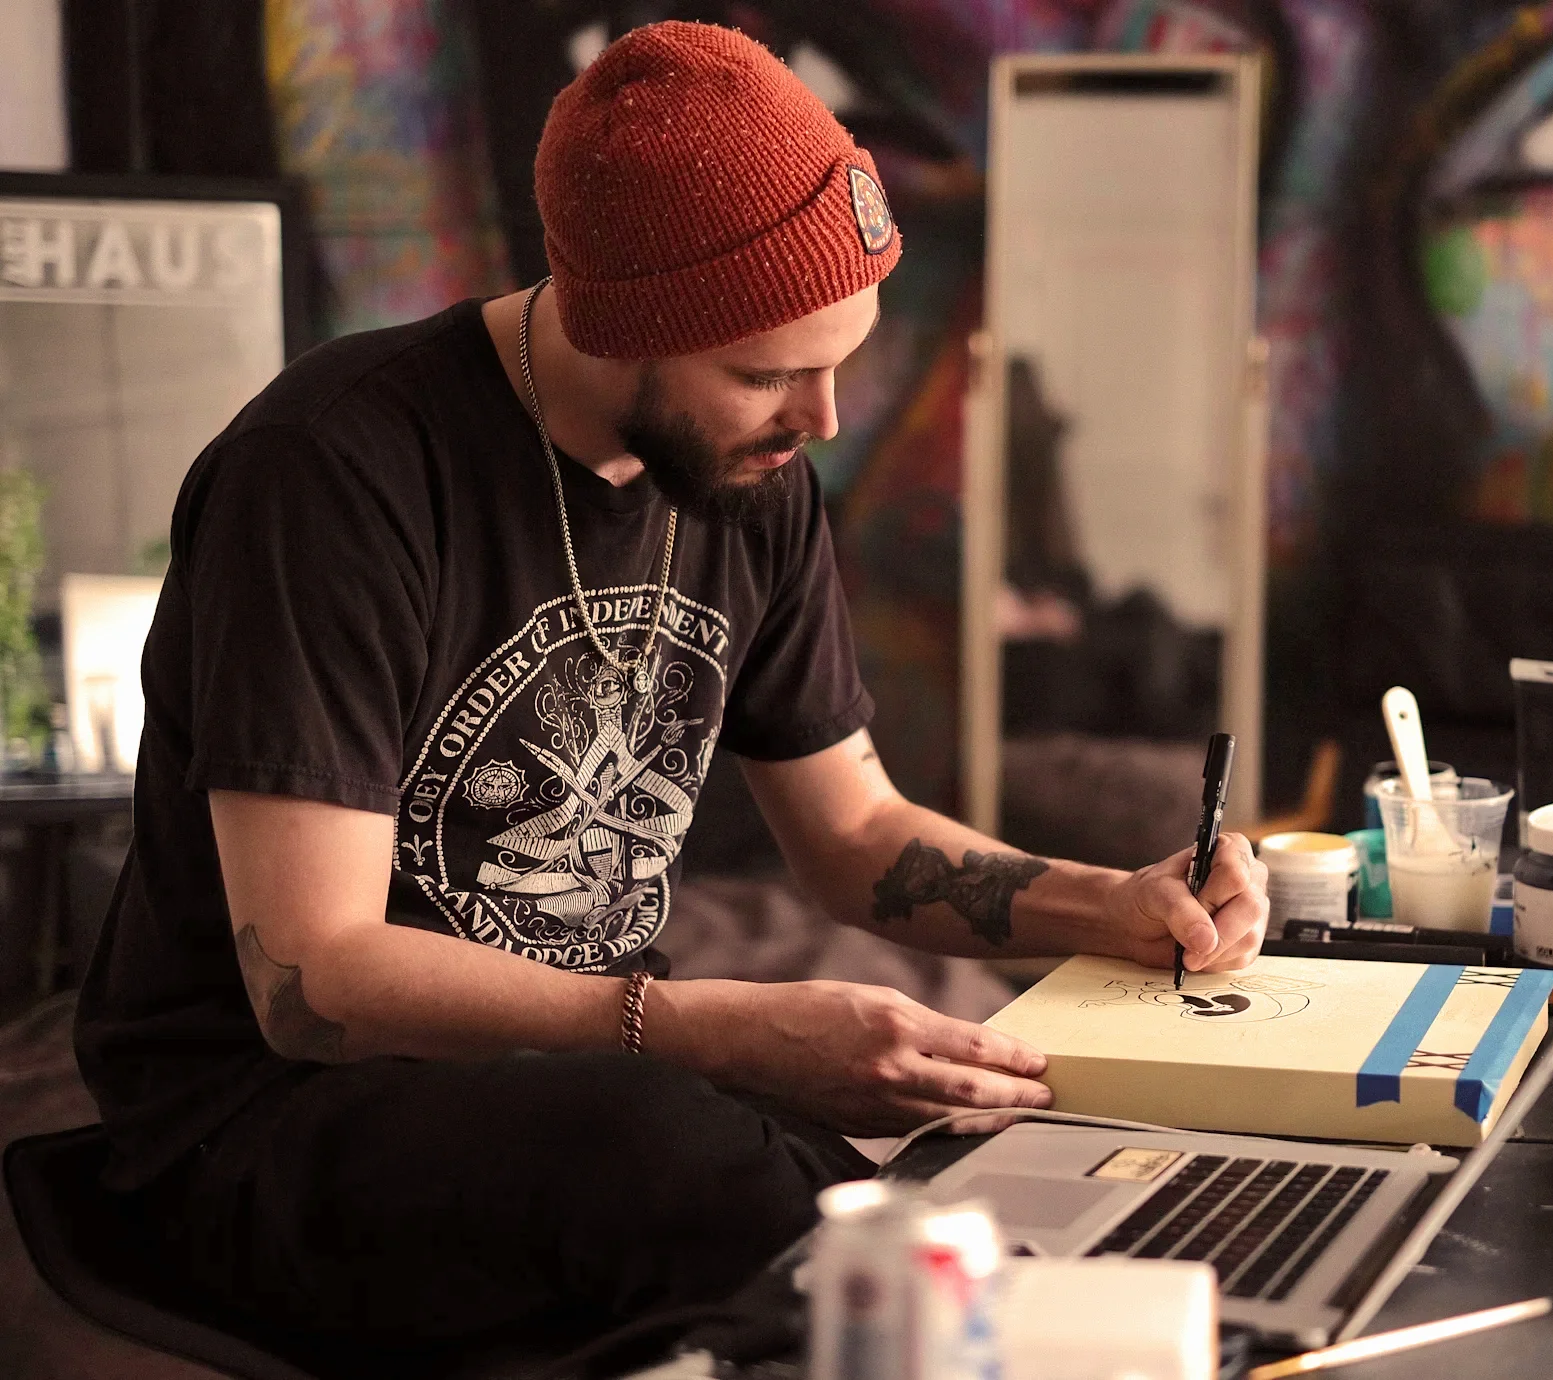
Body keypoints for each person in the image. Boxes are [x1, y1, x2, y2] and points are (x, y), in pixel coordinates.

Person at [72, 21, 1268, 1344]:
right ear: (610, 319)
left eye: (839, 361)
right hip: (266, 1123)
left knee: (929, 1175)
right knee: (678, 1154)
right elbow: (316, 982)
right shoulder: (333, 475)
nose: (819, 419)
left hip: (582, 1075)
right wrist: (706, 1030)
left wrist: (1106, 904)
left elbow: (859, 839)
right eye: (765, 373)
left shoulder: (749, 478)